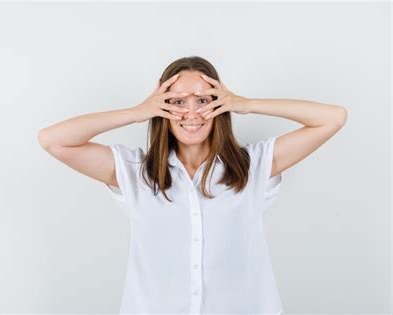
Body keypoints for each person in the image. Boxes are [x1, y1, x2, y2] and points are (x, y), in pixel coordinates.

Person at [38, 56, 348, 314]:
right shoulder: (136, 174)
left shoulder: (251, 167)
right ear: (161, 108)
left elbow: (332, 118)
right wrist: (136, 113)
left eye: (203, 100)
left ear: (219, 105)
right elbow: (53, 140)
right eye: (177, 102)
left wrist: (246, 103)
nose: (191, 112)